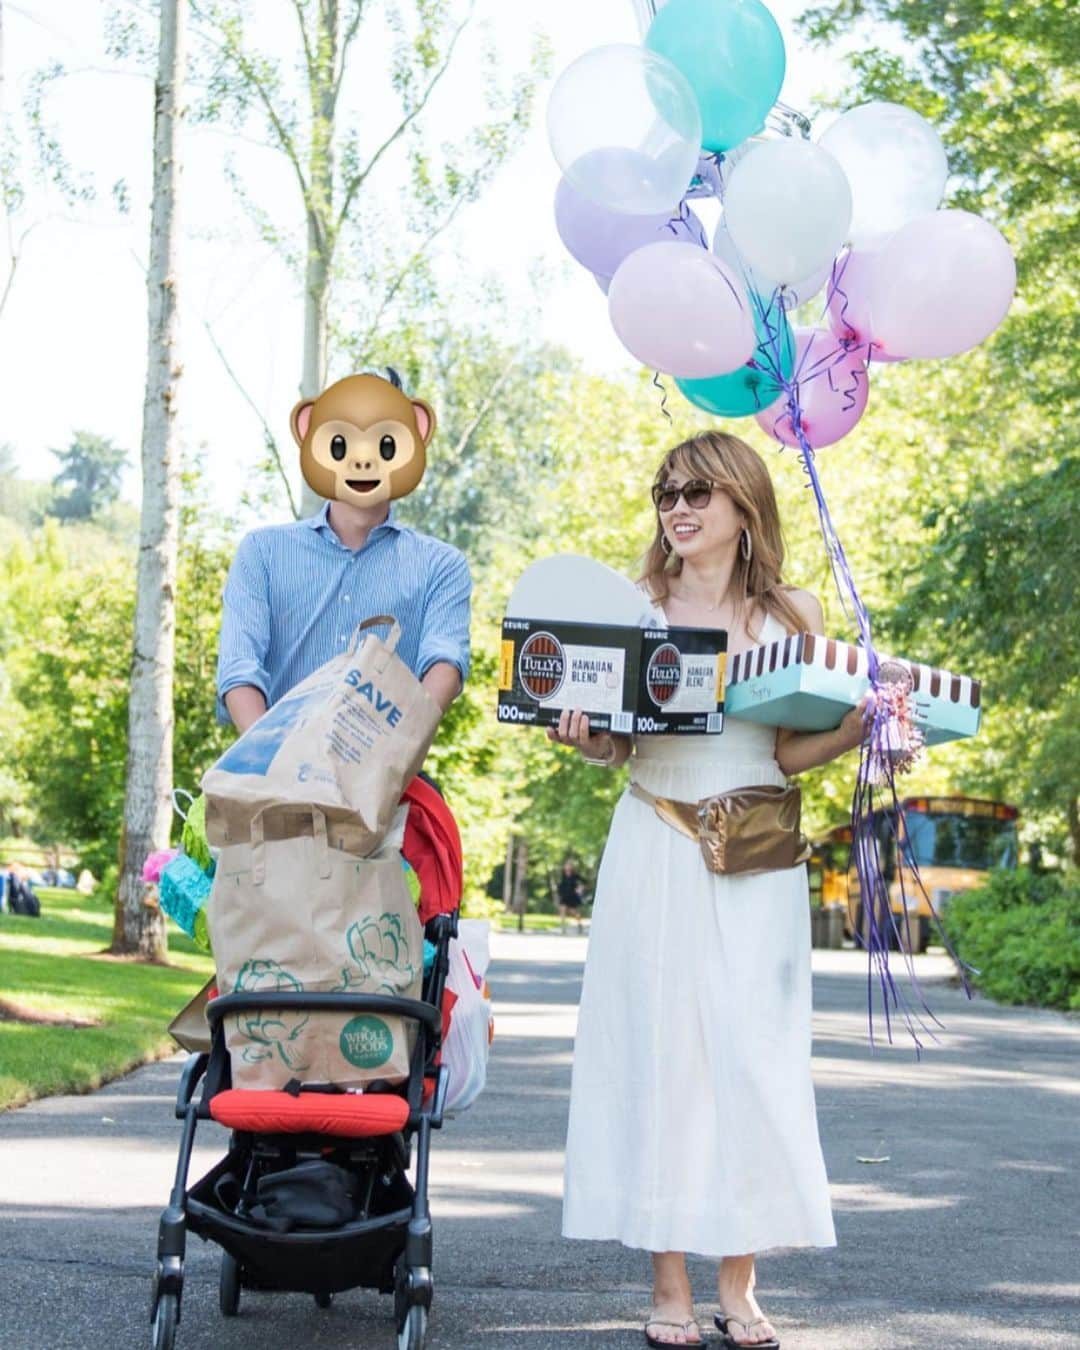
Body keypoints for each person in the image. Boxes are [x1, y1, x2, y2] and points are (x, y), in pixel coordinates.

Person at [551, 431, 870, 1349]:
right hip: (655, 839)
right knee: (662, 1054)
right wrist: (587, 739)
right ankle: (671, 1287)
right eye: (666, 493)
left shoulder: (794, 612)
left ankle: (741, 1284)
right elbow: (618, 742)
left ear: (743, 504)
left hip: (758, 857)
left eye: (697, 492)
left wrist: (856, 731)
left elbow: (784, 749)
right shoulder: (632, 609)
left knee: (752, 1058)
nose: (678, 509)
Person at [216, 369, 471, 731]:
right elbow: (239, 668)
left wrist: (392, 757)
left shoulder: (441, 566)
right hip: (271, 766)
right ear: (308, 434)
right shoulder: (262, 553)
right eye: (342, 443)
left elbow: (445, 662)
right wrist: (269, 764)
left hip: (385, 775)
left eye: (384, 444)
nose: (363, 460)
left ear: (416, 434)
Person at [556, 858, 586, 933]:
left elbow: (584, 882)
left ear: (571, 867)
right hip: (564, 895)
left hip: (572, 896)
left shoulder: (575, 875)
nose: (567, 867)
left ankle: (580, 925)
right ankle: (563, 928)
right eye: (566, 865)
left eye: (569, 865)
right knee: (562, 910)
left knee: (574, 912)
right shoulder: (562, 875)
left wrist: (580, 889)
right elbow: (560, 884)